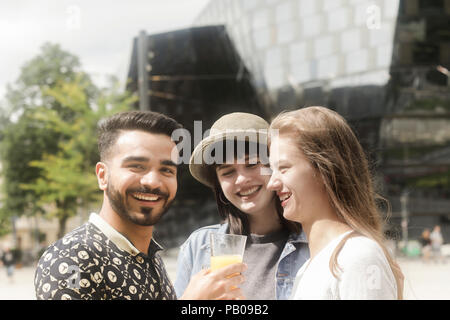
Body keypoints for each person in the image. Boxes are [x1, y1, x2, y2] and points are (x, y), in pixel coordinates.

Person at [34, 111, 246, 300]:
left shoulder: (148, 255)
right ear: (102, 175)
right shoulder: (70, 258)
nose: (153, 182)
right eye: (137, 166)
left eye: (166, 170)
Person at [267, 106, 404, 300]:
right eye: (272, 170)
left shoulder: (357, 255)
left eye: (284, 168)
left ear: (325, 171)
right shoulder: (308, 267)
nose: (271, 183)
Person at [175, 112, 309, 300]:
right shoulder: (198, 247)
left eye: (252, 164)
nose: (242, 180)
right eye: (228, 172)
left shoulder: (313, 243)